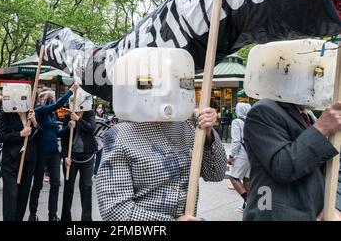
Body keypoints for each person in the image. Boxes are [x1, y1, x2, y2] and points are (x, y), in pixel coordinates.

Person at [96, 48, 227, 221]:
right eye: (147, 85)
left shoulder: (185, 128)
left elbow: (216, 173)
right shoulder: (119, 136)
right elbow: (115, 211)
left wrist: (208, 133)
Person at [242, 41, 341, 221]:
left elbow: (326, 169)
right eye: (311, 75)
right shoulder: (263, 111)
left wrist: (331, 207)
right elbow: (282, 166)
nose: (315, 82)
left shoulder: (308, 115)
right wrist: (321, 128)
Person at [28, 84, 78, 221]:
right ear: (41, 98)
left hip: (54, 152)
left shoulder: (52, 114)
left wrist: (68, 127)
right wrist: (71, 91)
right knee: (37, 185)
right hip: (40, 152)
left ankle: (52, 215)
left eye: (52, 96)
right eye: (47, 97)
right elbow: (58, 105)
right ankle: (33, 214)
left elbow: (57, 133)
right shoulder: (40, 110)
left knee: (55, 183)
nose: (50, 98)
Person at [60, 87, 97, 221]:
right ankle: (65, 218)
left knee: (86, 187)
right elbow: (63, 139)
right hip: (72, 156)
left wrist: (78, 120)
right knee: (68, 187)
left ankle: (86, 219)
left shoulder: (90, 113)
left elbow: (91, 129)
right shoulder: (68, 115)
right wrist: (65, 156)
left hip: (87, 156)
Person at [0, 102, 37, 221]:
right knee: (11, 194)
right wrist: (20, 134)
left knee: (23, 195)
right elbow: (0, 137)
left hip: (28, 159)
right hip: (10, 160)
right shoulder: (6, 114)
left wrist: (34, 122)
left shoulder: (31, 114)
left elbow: (39, 136)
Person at [227, 102, 252, 213]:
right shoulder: (252, 121)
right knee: (247, 180)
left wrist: (231, 155)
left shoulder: (237, 122)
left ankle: (249, 202)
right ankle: (246, 205)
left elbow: (236, 140)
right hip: (252, 153)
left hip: (242, 152)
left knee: (233, 177)